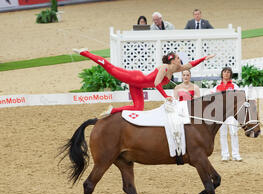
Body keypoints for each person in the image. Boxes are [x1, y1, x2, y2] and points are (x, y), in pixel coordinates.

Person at [72, 48, 214, 117]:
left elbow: (190, 64)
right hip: (134, 78)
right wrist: (166, 97)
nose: (180, 60)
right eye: (177, 58)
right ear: (172, 60)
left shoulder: (176, 68)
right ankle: (85, 52)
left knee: (138, 108)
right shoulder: (164, 68)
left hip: (137, 86)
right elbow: (157, 84)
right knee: (110, 68)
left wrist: (204, 58)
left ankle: (112, 111)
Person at [213, 67, 242, 161]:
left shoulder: (234, 86)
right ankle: (225, 155)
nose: (226, 73)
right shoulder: (216, 87)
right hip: (220, 114)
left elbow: (239, 98)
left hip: (231, 114)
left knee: (234, 133)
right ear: (222, 74)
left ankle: (236, 154)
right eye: (224, 72)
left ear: (230, 74)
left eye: (228, 72)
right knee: (223, 134)